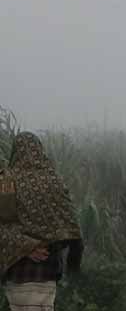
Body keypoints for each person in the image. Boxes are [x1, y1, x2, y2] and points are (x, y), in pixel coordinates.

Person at [1, 132, 83, 311]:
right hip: (47, 274)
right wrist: (32, 246)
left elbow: (3, 225)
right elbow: (70, 224)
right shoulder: (54, 180)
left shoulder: (6, 182)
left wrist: (24, 247)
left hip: (18, 275)